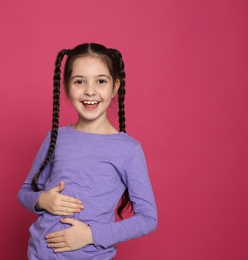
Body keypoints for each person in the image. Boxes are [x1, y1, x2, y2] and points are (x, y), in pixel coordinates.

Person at [17, 43, 157, 259]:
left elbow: (148, 219)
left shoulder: (128, 149)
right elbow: (25, 192)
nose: (90, 91)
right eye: (79, 81)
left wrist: (90, 235)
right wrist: (42, 200)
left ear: (115, 87)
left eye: (101, 81)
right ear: (66, 87)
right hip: (39, 254)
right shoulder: (56, 138)